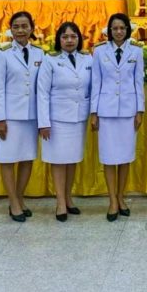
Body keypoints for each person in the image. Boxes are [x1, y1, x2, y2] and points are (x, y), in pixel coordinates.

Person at [91, 12, 144, 221]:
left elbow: (138, 82)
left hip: (128, 111)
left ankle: (121, 196)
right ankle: (112, 199)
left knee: (125, 157)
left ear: (127, 30)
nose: (119, 32)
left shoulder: (136, 51)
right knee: (108, 157)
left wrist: (139, 111)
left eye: (122, 28)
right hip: (106, 111)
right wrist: (94, 112)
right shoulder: (99, 51)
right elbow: (96, 82)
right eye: (115, 28)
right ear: (109, 31)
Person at [37, 21, 92, 222]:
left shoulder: (88, 59)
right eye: (65, 37)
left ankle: (68, 198)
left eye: (73, 36)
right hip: (57, 118)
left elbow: (92, 88)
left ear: (79, 39)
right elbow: (42, 93)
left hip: (79, 117)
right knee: (59, 160)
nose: (69, 40)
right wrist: (44, 122)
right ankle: (60, 201)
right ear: (59, 40)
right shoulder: (50, 60)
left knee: (72, 159)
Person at [0, 11, 43, 222]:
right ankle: (13, 202)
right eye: (16, 27)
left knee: (27, 158)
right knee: (7, 159)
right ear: (10, 30)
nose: (20, 30)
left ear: (32, 28)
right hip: (10, 116)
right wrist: (0, 119)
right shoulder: (3, 54)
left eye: (24, 26)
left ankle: (19, 198)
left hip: (32, 116)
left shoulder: (40, 53)